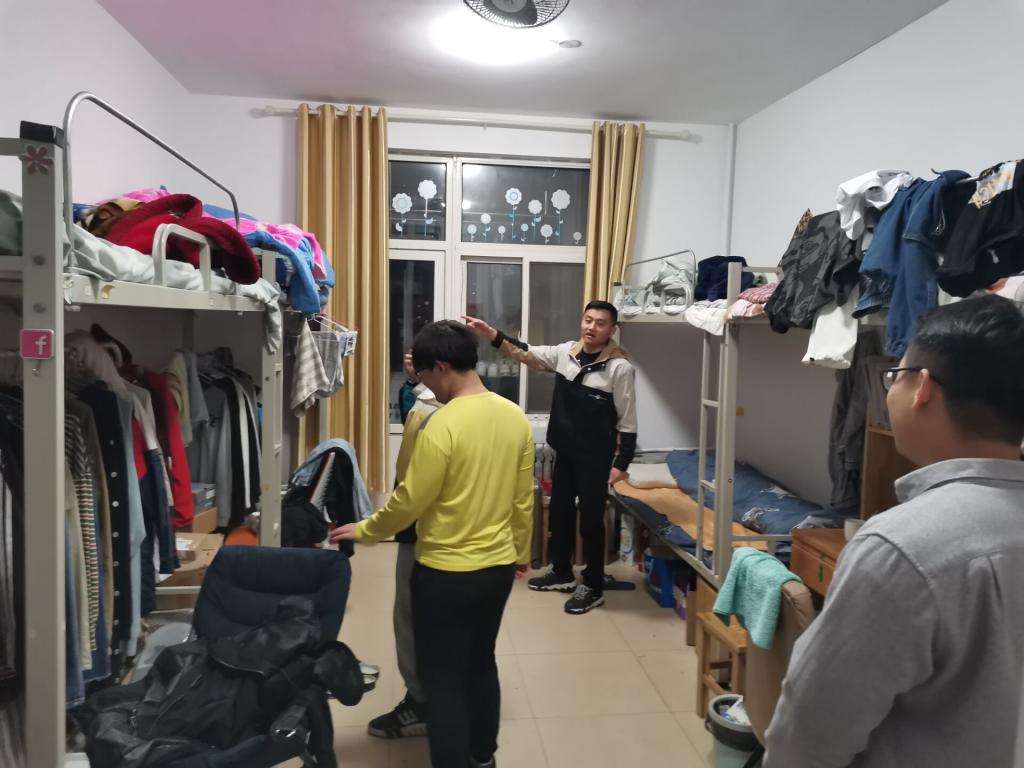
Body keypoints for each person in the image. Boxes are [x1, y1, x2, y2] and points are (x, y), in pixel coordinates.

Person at [764, 295, 1024, 767]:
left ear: (922, 387)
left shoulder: (902, 547)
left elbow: (810, 731)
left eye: (894, 376)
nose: (888, 393)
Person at [331, 320, 533, 768]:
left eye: (424, 376)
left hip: (445, 574)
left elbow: (409, 502)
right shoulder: (514, 417)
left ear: (441, 367)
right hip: (497, 569)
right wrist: (521, 552)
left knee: (442, 681)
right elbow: (523, 499)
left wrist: (366, 530)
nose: (426, 386)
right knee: (481, 663)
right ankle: (483, 757)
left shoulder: (442, 426)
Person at [464, 300, 637, 615]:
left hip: (595, 458)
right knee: (560, 513)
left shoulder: (619, 368)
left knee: (591, 522)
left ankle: (593, 585)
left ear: (612, 330)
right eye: (588, 320)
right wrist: (492, 334)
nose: (591, 327)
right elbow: (526, 352)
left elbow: (627, 419)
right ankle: (562, 572)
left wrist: (622, 463)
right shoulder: (565, 353)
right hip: (565, 452)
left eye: (600, 323)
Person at [366, 351, 440, 740]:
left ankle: (423, 703)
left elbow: (409, 488)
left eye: (421, 366)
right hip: (472, 542)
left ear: (439, 368)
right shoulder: (495, 410)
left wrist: (369, 530)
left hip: (423, 531)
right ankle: (446, 703)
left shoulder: (430, 410)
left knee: (411, 618)